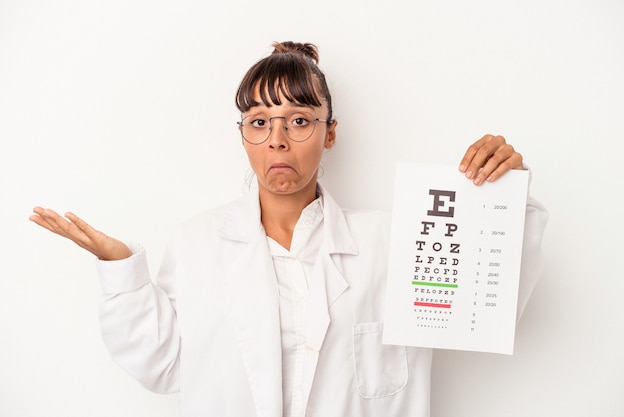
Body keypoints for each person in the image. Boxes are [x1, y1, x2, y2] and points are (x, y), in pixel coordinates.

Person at [29, 41, 548, 417]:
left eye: (299, 120)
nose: (278, 139)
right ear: (244, 136)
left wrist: (505, 197)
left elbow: (490, 309)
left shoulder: (392, 243)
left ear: (330, 134)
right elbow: (163, 369)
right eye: (259, 122)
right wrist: (122, 270)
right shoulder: (198, 241)